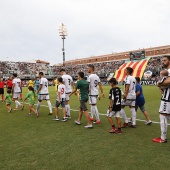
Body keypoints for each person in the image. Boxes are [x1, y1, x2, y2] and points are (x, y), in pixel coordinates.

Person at [152, 55, 170, 143]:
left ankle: (163, 138)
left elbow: (167, 82)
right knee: (167, 115)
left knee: (162, 115)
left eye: (165, 60)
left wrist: (159, 84)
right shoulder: (166, 72)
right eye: (162, 60)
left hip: (167, 99)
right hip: (166, 96)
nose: (163, 62)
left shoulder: (169, 71)